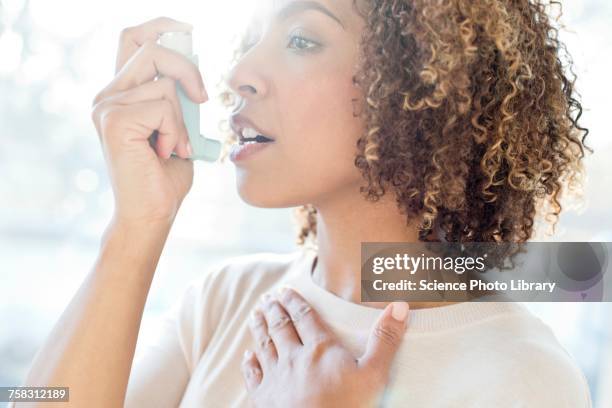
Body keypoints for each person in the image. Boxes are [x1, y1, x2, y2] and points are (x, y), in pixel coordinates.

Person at [16, 0, 593, 406]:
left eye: (301, 39)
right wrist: (134, 229)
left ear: (424, 88)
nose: (240, 74)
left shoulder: (522, 379)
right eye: (251, 43)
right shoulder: (226, 301)